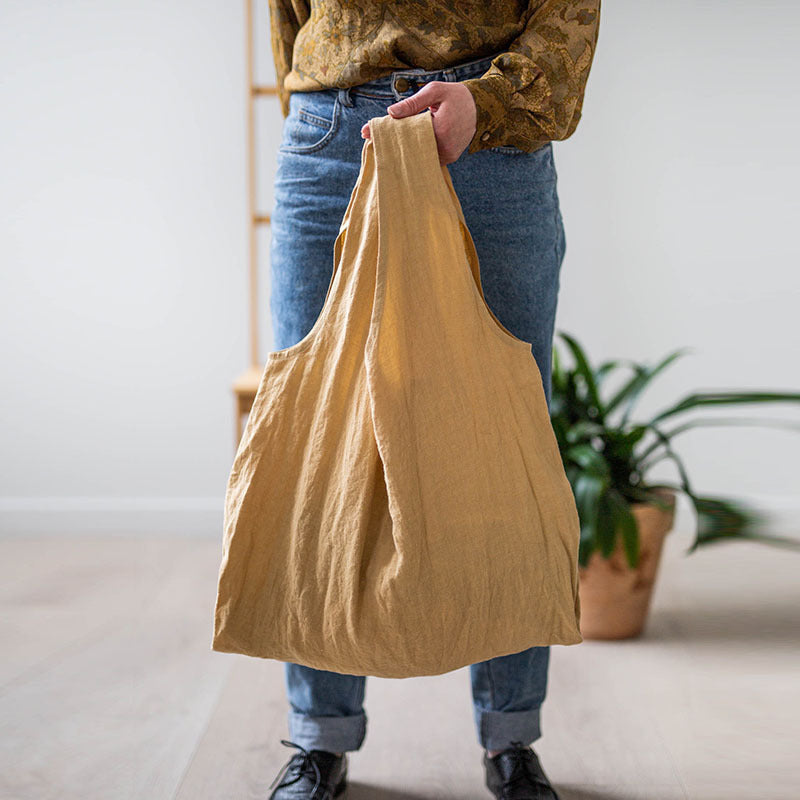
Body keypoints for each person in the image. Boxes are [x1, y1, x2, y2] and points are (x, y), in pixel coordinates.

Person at [265, 2, 601, 798]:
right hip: (332, 136)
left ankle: (511, 737)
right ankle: (319, 737)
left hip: (494, 147)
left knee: (506, 447)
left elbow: (569, 12)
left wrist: (487, 102)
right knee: (318, 443)